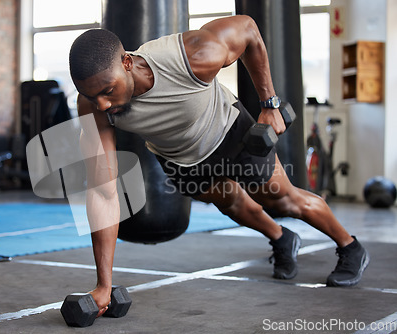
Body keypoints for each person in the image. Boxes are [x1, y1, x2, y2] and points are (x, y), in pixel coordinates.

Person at [68, 15, 369, 317]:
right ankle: (281, 237)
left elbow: (249, 29)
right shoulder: (93, 107)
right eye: (90, 96)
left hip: (229, 133)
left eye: (107, 91)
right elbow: (104, 191)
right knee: (232, 205)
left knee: (282, 199)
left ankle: (350, 246)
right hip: (181, 158)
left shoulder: (192, 57)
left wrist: (269, 104)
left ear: (128, 63)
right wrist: (104, 284)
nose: (102, 105)